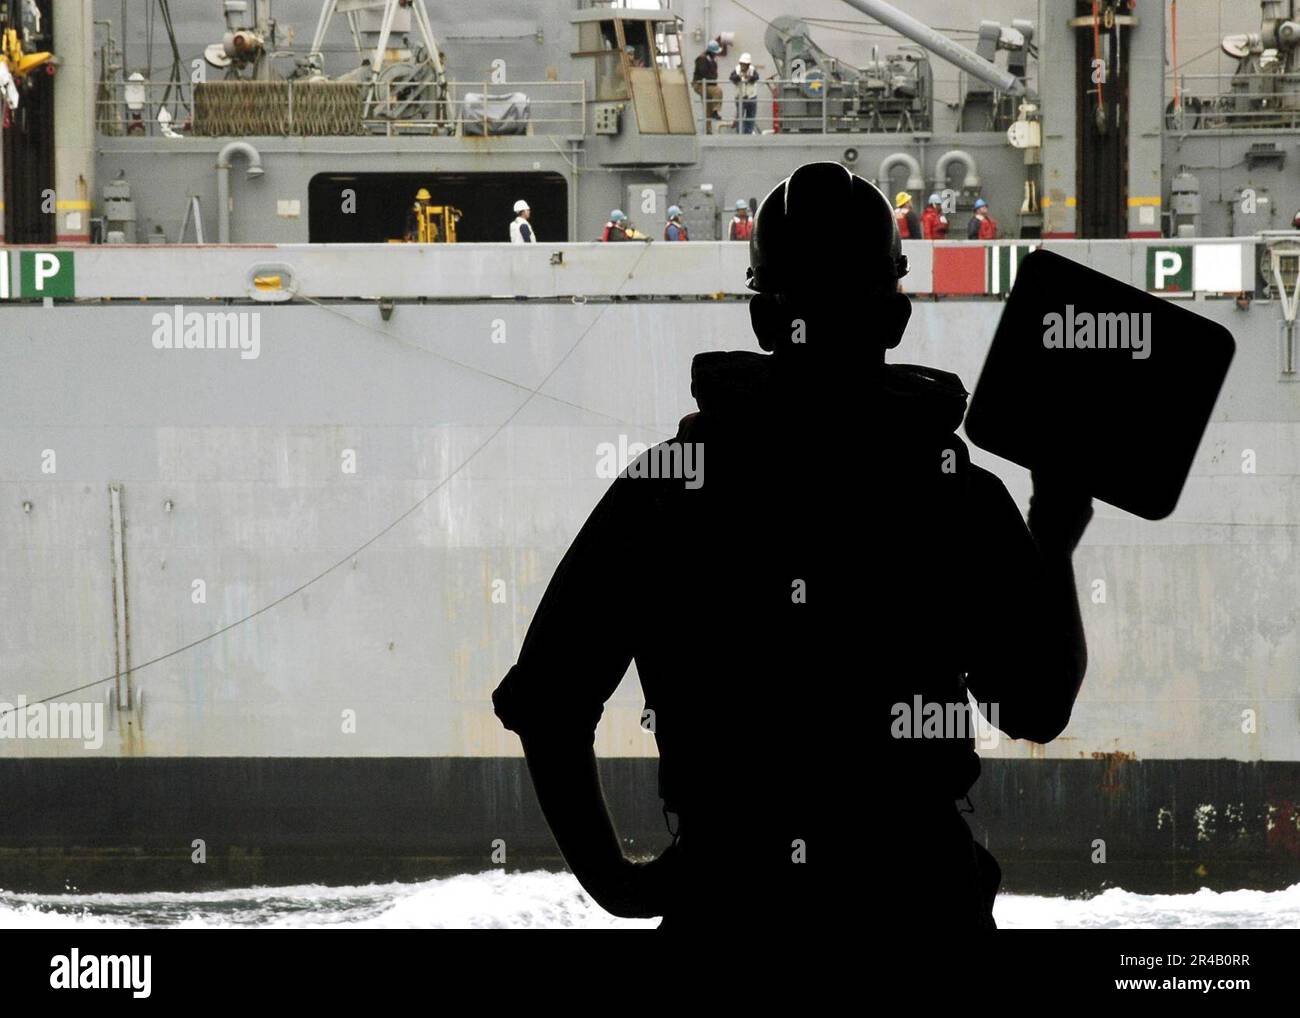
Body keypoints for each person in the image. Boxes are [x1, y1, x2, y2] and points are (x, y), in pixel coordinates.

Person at [492, 160, 1094, 929]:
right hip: (917, 904)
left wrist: (619, 886)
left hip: (729, 900)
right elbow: (1036, 707)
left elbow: (549, 702)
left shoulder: (664, 491)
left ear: (763, 322)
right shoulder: (955, 494)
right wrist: (1055, 536)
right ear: (896, 318)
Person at [692, 40, 723, 134]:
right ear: (712, 52)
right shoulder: (702, 59)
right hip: (700, 84)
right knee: (718, 91)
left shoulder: (711, 59)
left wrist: (712, 78)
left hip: (708, 84)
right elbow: (704, 73)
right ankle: (715, 111)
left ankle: (708, 130)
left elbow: (713, 74)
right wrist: (713, 78)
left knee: (708, 106)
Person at [730, 53, 760, 134]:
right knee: (740, 116)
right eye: (742, 64)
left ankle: (748, 133)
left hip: (751, 96)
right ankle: (740, 132)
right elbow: (732, 78)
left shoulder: (752, 70)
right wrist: (739, 77)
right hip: (740, 97)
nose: (743, 66)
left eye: (745, 64)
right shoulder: (736, 70)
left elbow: (757, 77)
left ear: (748, 64)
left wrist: (750, 78)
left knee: (751, 116)